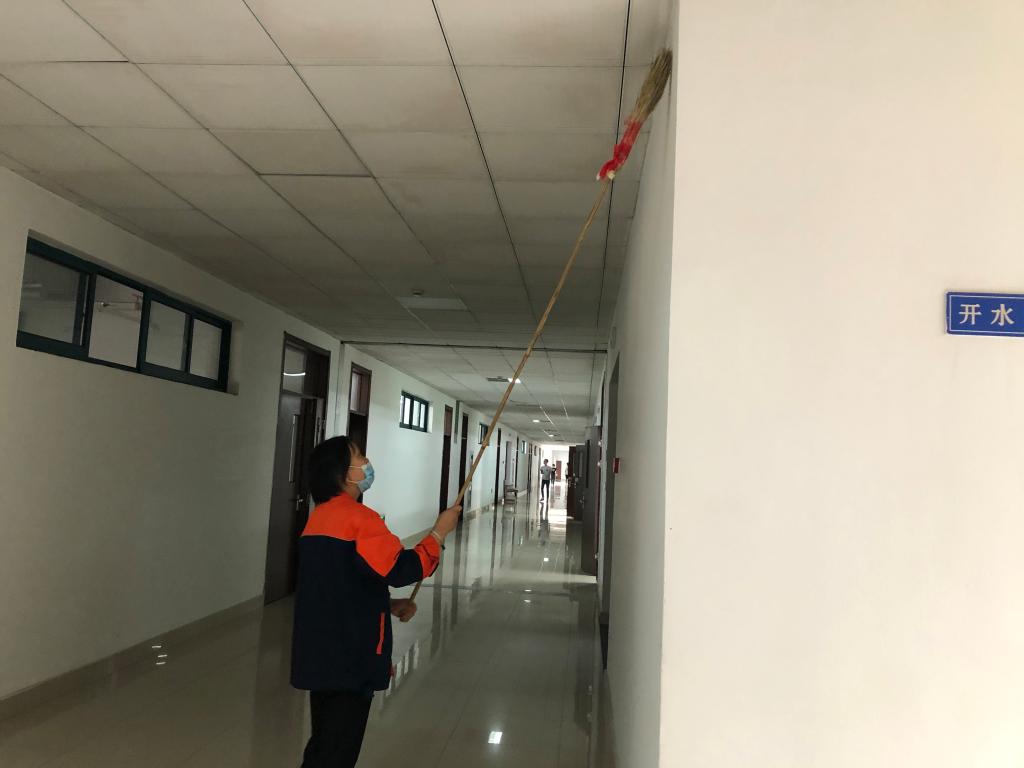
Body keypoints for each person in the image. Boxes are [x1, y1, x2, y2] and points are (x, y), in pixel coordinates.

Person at [291, 436, 461, 767]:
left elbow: (340, 586)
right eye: (359, 457)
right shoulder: (360, 519)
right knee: (338, 750)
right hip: (351, 656)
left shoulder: (318, 518)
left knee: (325, 740)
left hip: (320, 652)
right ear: (344, 473)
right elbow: (401, 569)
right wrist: (439, 533)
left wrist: (389, 604)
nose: (367, 463)